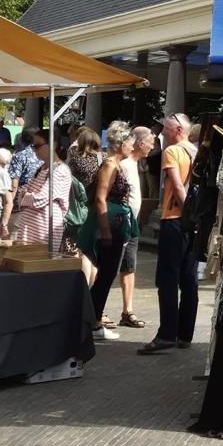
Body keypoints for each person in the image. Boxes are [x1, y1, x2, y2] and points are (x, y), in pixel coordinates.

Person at [139, 113, 198, 355]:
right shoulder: (195, 152)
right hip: (192, 225)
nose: (162, 132)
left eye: (166, 129)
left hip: (175, 219)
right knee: (189, 280)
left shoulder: (172, 152)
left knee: (167, 279)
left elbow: (175, 184)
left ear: (178, 131)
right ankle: (185, 334)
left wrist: (186, 213)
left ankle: (167, 335)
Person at [82, 121, 140, 342]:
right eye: (130, 144)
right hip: (111, 227)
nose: (132, 148)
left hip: (116, 225)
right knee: (106, 275)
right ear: (122, 143)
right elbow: (100, 198)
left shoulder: (116, 164)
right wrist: (106, 231)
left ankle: (93, 319)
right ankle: (94, 322)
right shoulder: (110, 165)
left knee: (107, 275)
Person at [115, 125, 154, 329]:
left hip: (132, 226)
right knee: (111, 267)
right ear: (140, 144)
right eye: (150, 142)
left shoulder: (134, 164)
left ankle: (127, 310)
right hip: (121, 224)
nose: (153, 146)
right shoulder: (124, 165)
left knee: (129, 266)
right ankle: (98, 311)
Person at [8, 130, 73, 246]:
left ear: (53, 144)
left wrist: (26, 196)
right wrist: (27, 196)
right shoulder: (42, 168)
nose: (34, 150)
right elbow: (22, 193)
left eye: (37, 146)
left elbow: (40, 199)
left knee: (40, 261)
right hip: (30, 226)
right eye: (33, 146)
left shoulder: (60, 170)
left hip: (44, 228)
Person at [67, 127, 103, 197]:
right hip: (95, 196)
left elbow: (69, 171)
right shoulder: (103, 157)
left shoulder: (75, 157)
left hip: (79, 197)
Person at [8, 127, 43, 196]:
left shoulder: (19, 156)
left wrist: (10, 201)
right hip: (40, 195)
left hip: (22, 196)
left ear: (22, 139)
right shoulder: (45, 154)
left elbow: (14, 182)